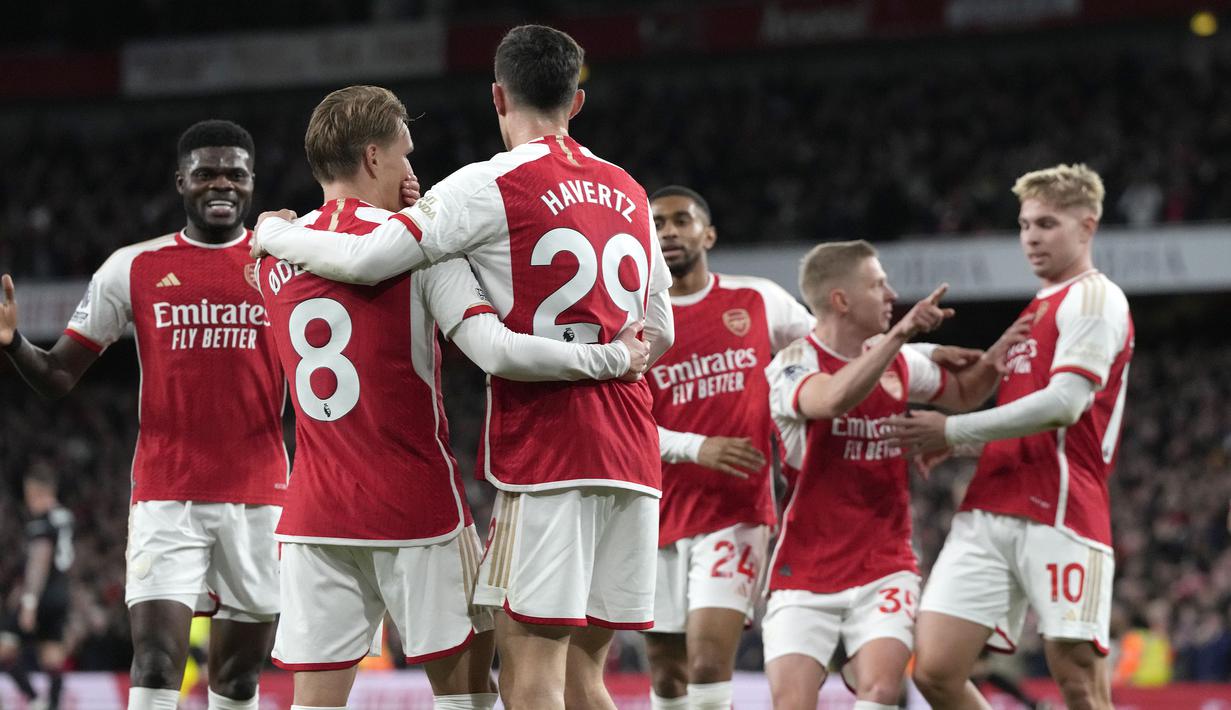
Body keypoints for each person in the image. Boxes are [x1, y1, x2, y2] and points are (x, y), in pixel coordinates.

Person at [252, 27, 672, 709]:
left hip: (314, 508)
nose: (413, 168)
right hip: (433, 500)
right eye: (404, 155)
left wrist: (265, 231)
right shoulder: (618, 192)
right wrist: (611, 355)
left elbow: (339, 269)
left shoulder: (273, 260)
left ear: (498, 97)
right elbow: (647, 329)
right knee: (508, 690)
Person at [1, 120, 288, 710]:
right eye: (206, 172)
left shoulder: (286, 262)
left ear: (252, 183)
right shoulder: (133, 267)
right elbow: (57, 376)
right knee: (157, 662)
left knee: (237, 680)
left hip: (261, 498)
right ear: (180, 180)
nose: (221, 184)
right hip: (165, 497)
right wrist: (11, 344)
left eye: (235, 173)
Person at [888, 164, 1134, 710]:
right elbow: (1027, 417)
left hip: (1062, 509)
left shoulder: (1096, 299)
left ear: (1087, 227)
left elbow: (1065, 405)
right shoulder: (1037, 307)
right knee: (934, 670)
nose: (1031, 237)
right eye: (1025, 225)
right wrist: (964, 442)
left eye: (1047, 224)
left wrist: (952, 428)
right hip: (990, 504)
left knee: (1079, 684)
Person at [762, 239, 1028, 710]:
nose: (891, 294)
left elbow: (964, 393)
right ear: (841, 300)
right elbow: (830, 400)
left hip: (884, 565)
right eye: (878, 284)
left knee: (882, 691)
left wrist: (993, 361)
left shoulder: (901, 362)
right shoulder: (792, 363)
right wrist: (902, 334)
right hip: (804, 569)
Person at [644, 185, 813, 710]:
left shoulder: (756, 298)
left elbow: (825, 350)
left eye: (682, 220)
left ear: (708, 234)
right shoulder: (633, 322)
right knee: (668, 674)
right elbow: (621, 425)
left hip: (734, 509)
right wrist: (696, 447)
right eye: (657, 223)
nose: (669, 231)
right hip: (654, 512)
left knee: (707, 665)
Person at [0, 462, 74, 710]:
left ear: (37, 492)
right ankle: (52, 706)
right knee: (52, 656)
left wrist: (29, 601)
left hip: (40, 594)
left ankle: (34, 700)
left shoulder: (41, 522)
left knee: (4, 650)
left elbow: (39, 561)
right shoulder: (65, 517)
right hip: (61, 593)